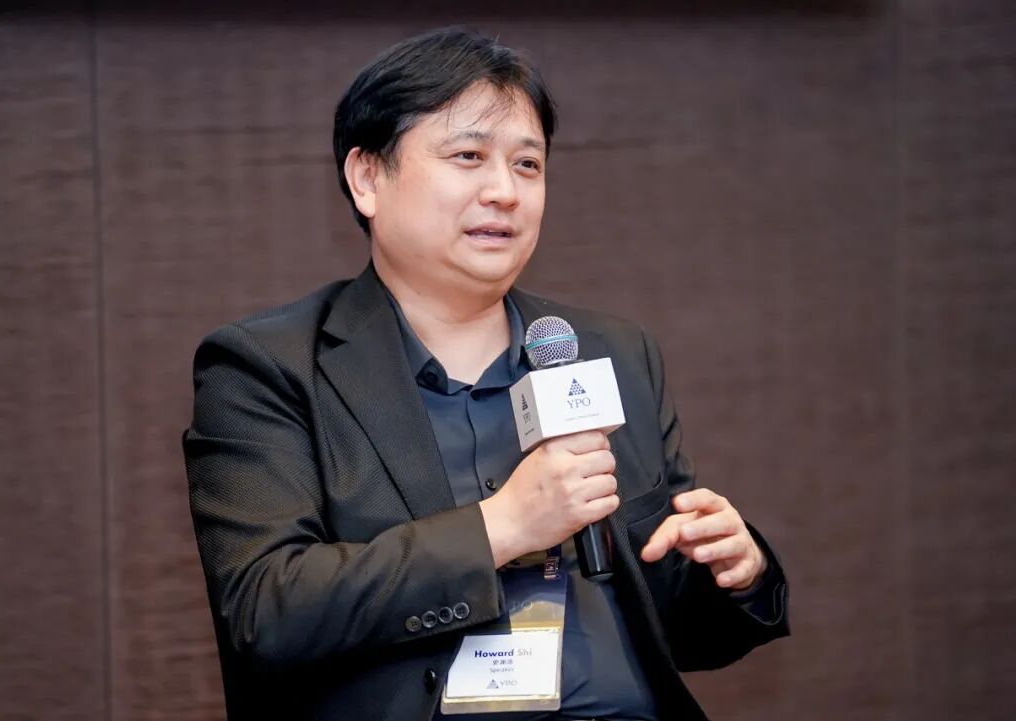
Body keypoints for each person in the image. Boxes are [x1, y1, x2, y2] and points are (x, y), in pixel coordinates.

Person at [184, 27, 789, 721]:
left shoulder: (609, 351)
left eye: (527, 165)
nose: (504, 191)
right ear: (367, 178)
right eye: (468, 156)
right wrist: (503, 526)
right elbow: (266, 612)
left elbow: (678, 630)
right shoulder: (268, 367)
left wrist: (737, 572)